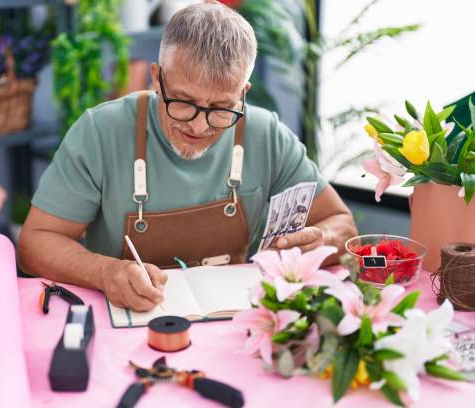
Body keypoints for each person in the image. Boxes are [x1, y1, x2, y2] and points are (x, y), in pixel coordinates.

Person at [18, 1, 357, 312]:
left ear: (243, 94)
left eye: (221, 108)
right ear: (156, 78)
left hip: (235, 323)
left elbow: (342, 223)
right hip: (125, 321)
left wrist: (322, 240)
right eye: (182, 101)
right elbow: (35, 242)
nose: (198, 125)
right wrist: (106, 272)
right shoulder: (101, 131)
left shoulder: (265, 133)